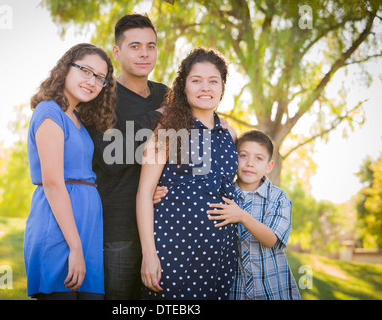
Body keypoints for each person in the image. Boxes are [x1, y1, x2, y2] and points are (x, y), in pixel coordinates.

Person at [137, 47, 240, 300]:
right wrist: (149, 254)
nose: (205, 87)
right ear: (184, 86)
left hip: (221, 253)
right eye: (196, 80)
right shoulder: (168, 128)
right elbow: (144, 193)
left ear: (222, 86)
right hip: (174, 250)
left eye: (213, 81)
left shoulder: (231, 134)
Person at [23, 43, 116, 300]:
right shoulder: (49, 112)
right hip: (58, 232)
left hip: (88, 232)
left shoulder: (77, 118)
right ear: (66, 68)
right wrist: (75, 248)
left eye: (100, 78)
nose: (92, 81)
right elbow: (53, 183)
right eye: (85, 70)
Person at [85, 14, 168, 300]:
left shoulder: (165, 95)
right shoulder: (101, 96)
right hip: (118, 228)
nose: (144, 53)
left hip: (163, 226)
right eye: (135, 46)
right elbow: (110, 158)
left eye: (151, 46)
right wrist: (156, 117)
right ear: (117, 53)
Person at [207, 129, 301, 300]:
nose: (250, 163)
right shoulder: (223, 194)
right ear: (233, 158)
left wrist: (242, 216)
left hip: (272, 291)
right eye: (243, 155)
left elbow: (272, 239)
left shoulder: (278, 198)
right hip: (236, 292)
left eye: (259, 158)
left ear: (268, 166)